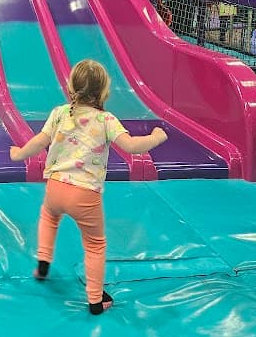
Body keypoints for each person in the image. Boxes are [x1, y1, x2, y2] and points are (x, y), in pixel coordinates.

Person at [9, 59, 168, 315]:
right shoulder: (106, 120)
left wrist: (18, 154)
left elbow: (39, 141)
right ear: (104, 92)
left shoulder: (60, 113)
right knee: (95, 244)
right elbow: (131, 147)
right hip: (85, 195)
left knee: (49, 217)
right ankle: (95, 300)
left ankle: (43, 262)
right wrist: (156, 138)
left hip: (56, 187)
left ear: (71, 88)